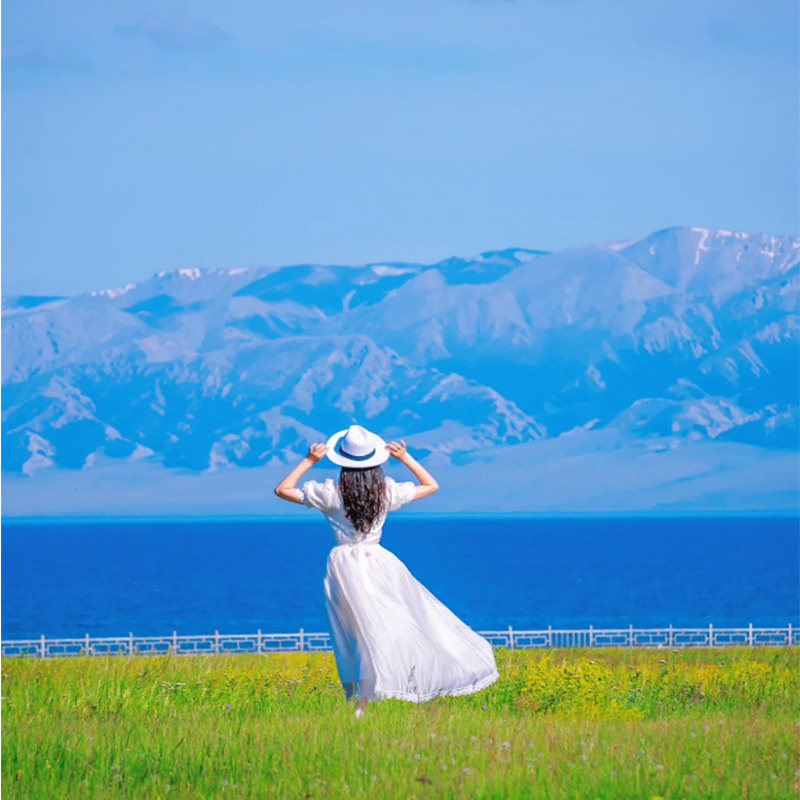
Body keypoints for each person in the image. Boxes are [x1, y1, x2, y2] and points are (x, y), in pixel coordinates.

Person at [274, 423, 499, 717]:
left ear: (342, 462)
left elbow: (283, 489)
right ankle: (390, 689)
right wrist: (406, 458)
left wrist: (309, 461)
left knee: (357, 634)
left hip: (344, 567)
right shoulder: (386, 493)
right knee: (398, 622)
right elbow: (431, 485)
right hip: (380, 562)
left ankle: (365, 702)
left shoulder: (330, 494)